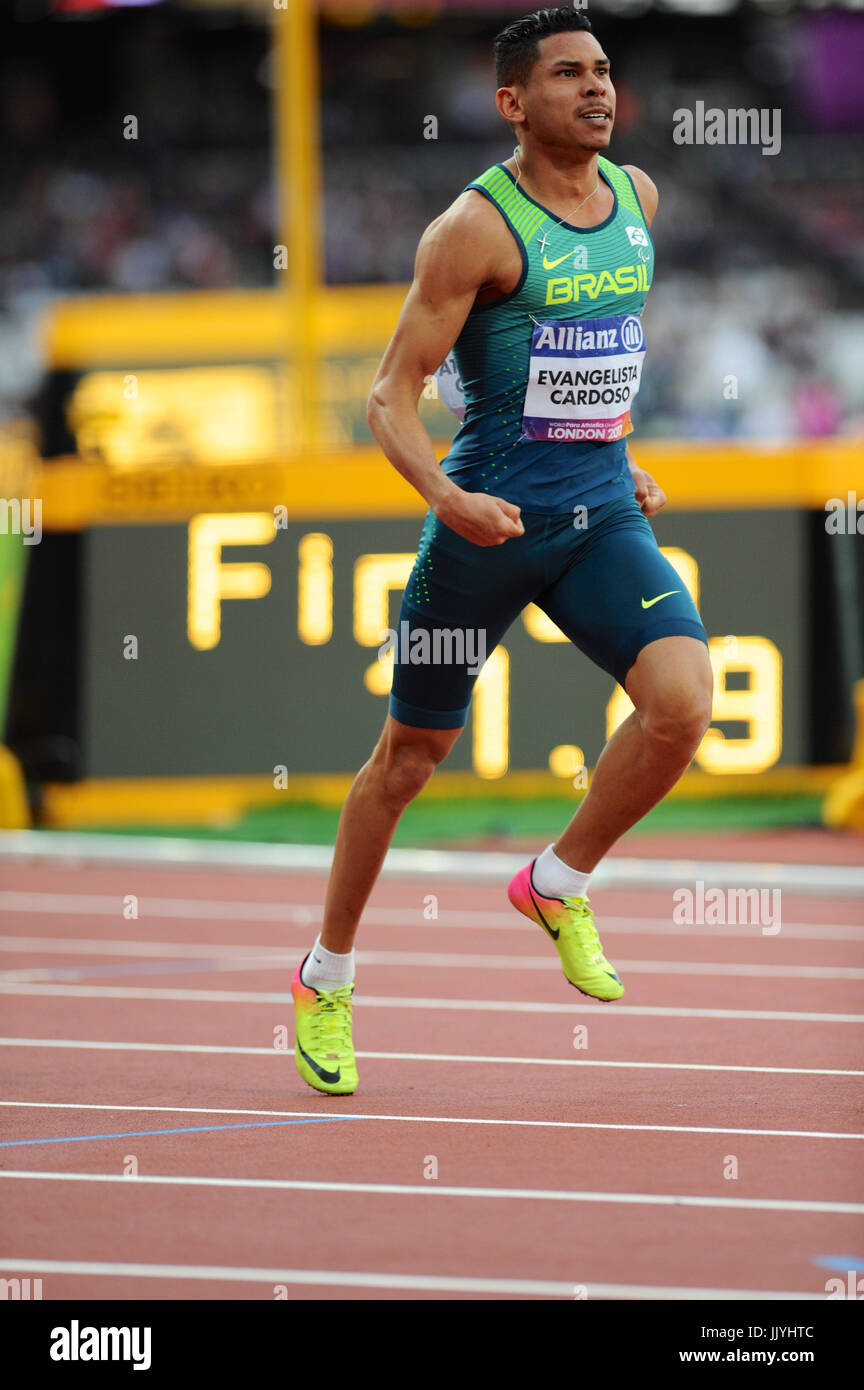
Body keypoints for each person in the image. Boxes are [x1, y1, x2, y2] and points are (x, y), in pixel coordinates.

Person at [292, 5, 713, 1096]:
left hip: (598, 523)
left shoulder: (639, 201)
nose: (598, 89)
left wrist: (621, 457)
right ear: (514, 103)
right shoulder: (472, 230)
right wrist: (448, 495)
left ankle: (557, 879)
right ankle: (324, 974)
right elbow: (390, 394)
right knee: (407, 765)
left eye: (605, 70)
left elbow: (597, 363)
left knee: (684, 702)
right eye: (569, 74)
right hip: (485, 538)